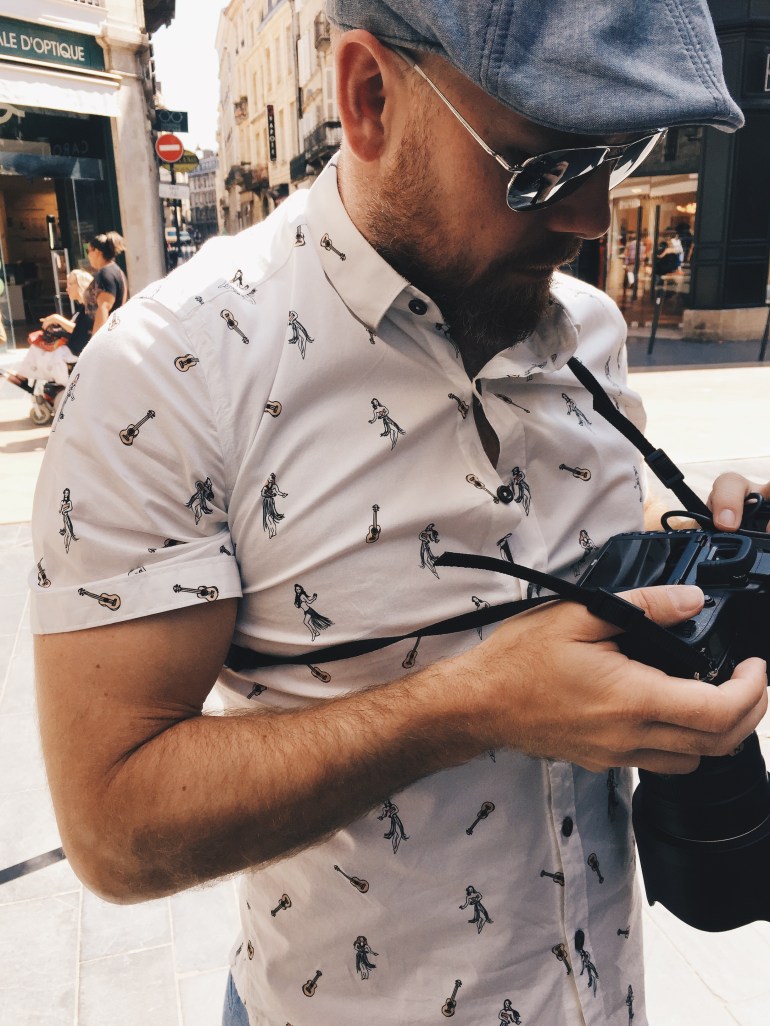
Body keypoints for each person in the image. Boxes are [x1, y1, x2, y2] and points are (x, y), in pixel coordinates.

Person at [30, 3, 769, 1025]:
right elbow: (111, 827)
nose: (592, 217)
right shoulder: (169, 372)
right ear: (368, 97)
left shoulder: (586, 327)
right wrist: (465, 707)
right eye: (544, 166)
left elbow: (553, 521)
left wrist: (684, 540)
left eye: (622, 152)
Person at [4, 269, 93, 391]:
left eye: (70, 284)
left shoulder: (89, 309)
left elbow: (79, 330)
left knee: (43, 351)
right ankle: (23, 376)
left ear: (80, 285)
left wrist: (56, 319)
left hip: (75, 351)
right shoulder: (82, 308)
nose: (67, 288)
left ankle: (25, 377)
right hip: (72, 347)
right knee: (38, 345)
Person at [84, 231, 127, 335]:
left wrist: (95, 343)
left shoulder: (105, 273)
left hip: (107, 336)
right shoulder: (116, 270)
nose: (88, 256)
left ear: (97, 252)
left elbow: (103, 308)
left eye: (88, 251)